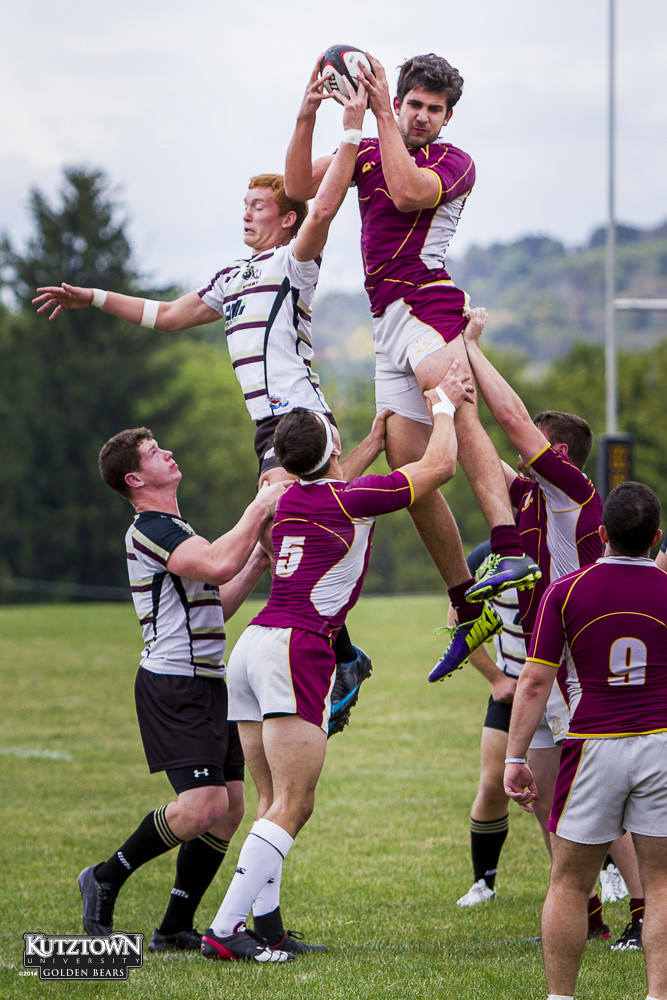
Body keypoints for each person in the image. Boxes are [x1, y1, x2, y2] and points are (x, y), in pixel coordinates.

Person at [32, 74, 375, 733]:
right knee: (291, 534)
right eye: (242, 202)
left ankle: (336, 655)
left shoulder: (292, 261)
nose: (245, 212)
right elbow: (165, 316)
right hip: (267, 428)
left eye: (256, 204)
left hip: (297, 418)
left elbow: (324, 208)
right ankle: (340, 652)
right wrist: (92, 296)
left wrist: (347, 129)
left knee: (287, 525)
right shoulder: (228, 277)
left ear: (284, 217)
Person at [199, 360, 476, 962]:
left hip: (253, 645)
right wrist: (446, 405)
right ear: (334, 446)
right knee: (294, 805)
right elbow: (440, 466)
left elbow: (329, 479)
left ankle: (266, 928)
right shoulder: (355, 497)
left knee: (274, 803)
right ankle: (223, 931)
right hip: (297, 649)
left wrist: (375, 440)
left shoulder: (290, 496)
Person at [284, 52, 540, 679]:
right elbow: (296, 189)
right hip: (385, 324)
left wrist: (377, 119)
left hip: (428, 304)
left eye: (434, 109)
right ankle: (466, 598)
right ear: (397, 100)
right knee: (412, 470)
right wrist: (309, 111)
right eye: (412, 104)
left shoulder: (452, 162)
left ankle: (510, 547)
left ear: (447, 117)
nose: (422, 116)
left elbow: (406, 192)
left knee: (457, 406)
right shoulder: (366, 149)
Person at [462, 306, 645, 941]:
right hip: (537, 657)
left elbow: (510, 424)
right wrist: (449, 397)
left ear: (558, 452)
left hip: (571, 667)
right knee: (543, 797)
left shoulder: (573, 491)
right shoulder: (531, 495)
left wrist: (471, 345)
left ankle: (642, 914)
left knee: (592, 798)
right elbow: (483, 451)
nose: (527, 453)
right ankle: (589, 914)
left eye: (538, 444)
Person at [81, 427, 285, 952]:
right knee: (201, 808)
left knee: (231, 807)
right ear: (134, 478)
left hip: (208, 682)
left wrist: (258, 561)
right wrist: (261, 504)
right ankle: (105, 876)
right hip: (173, 685)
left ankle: (174, 926)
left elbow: (214, 608)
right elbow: (218, 562)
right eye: (154, 454)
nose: (168, 453)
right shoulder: (150, 528)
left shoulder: (175, 526)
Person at [504, 481, 667, 1000]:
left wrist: (514, 757)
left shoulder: (567, 590)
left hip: (592, 743)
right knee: (662, 885)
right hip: (661, 743)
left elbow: (533, 682)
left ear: (601, 535)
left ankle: (561, 998)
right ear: (656, 538)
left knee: (569, 882)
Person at [452, 541, 524, 907]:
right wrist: (496, 678)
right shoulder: (486, 557)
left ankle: (608, 871)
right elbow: (456, 619)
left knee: (585, 786)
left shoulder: (565, 542)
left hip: (566, 686)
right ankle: (484, 882)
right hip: (514, 686)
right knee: (493, 782)